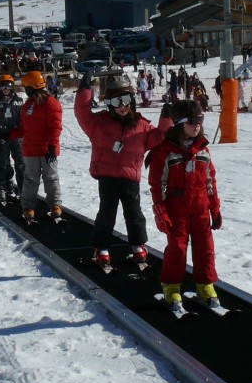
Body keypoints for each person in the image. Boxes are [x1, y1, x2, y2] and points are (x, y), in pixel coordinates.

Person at [75, 70, 173, 268]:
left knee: (134, 213)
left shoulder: (141, 126)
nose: (123, 106)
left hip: (130, 178)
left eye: (126, 100)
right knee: (106, 213)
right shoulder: (98, 123)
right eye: (117, 102)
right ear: (110, 104)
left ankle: (138, 244)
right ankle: (101, 247)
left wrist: (167, 117)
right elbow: (82, 112)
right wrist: (85, 89)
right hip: (107, 177)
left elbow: (161, 136)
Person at [148, 99, 223, 312]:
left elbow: (210, 181)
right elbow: (156, 185)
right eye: (192, 121)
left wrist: (214, 208)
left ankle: (204, 285)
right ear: (179, 123)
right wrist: (161, 213)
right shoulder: (165, 151)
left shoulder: (203, 150)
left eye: (200, 120)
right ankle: (171, 287)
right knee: (177, 249)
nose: (197, 125)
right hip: (176, 208)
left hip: (199, 207)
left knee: (205, 248)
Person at [14, 70, 63, 223]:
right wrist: (8, 134)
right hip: (30, 149)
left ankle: (55, 205)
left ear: (33, 87)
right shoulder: (27, 105)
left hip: (47, 149)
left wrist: (52, 146)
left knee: (51, 178)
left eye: (26, 87)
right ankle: (28, 207)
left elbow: (55, 126)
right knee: (30, 179)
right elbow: (24, 128)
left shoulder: (51, 103)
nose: (25, 90)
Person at [0, 75, 25, 201]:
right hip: (1, 136)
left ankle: (23, 189)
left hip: (17, 136)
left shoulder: (19, 101)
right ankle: (0, 188)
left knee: (20, 163)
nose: (6, 89)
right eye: (3, 86)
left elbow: (24, 119)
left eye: (9, 86)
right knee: (2, 162)